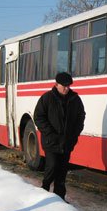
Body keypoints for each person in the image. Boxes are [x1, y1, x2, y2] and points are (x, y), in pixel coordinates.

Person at [34, 72, 85, 201]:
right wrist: (50, 133)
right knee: (52, 167)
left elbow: (81, 116)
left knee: (62, 172)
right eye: (64, 86)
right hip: (51, 142)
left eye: (69, 86)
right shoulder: (47, 98)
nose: (67, 88)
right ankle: (43, 194)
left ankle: (59, 199)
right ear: (56, 84)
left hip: (67, 143)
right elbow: (38, 117)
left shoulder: (75, 99)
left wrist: (74, 135)